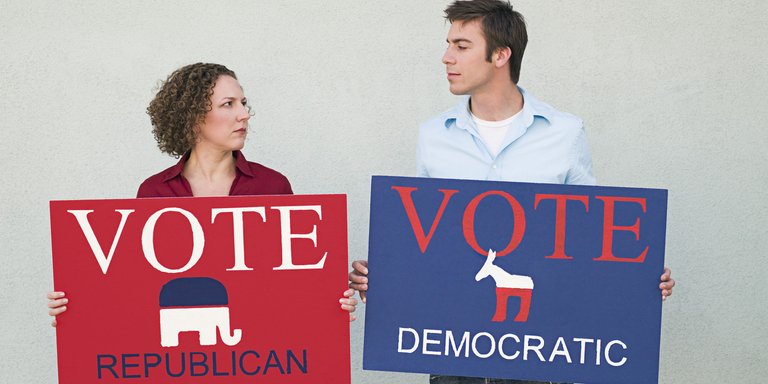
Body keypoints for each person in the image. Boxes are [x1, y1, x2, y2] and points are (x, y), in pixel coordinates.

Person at [348, 1, 675, 383]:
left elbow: (590, 239)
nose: (446, 57)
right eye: (449, 44)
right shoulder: (434, 135)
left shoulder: (565, 132)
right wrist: (386, 275)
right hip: (455, 348)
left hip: (539, 353)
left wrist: (638, 278)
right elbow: (429, 240)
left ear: (501, 54)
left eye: (462, 46)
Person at [48, 63, 358, 326]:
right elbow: (138, 289)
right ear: (194, 116)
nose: (244, 114)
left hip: (259, 354)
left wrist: (332, 298)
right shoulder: (155, 192)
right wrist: (78, 307)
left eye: (243, 103)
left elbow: (292, 284)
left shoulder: (272, 186)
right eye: (228, 104)